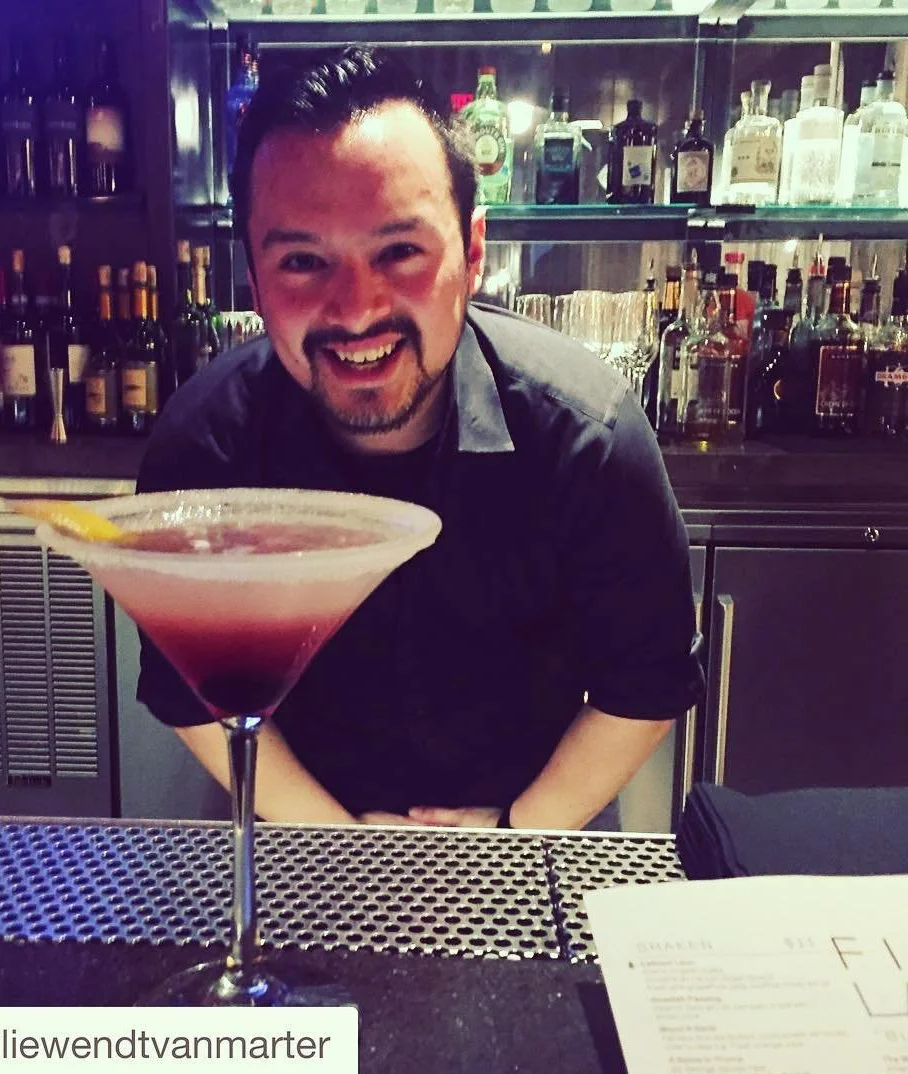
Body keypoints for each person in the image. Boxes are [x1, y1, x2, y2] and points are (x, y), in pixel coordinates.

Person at [136, 46, 703, 831]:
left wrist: (508, 836)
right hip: (287, 825)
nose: (356, 308)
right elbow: (189, 693)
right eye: (303, 260)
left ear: (472, 254)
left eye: (399, 251)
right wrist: (339, 841)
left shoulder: (588, 438)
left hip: (537, 825)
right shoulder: (206, 452)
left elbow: (646, 687)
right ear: (254, 278)